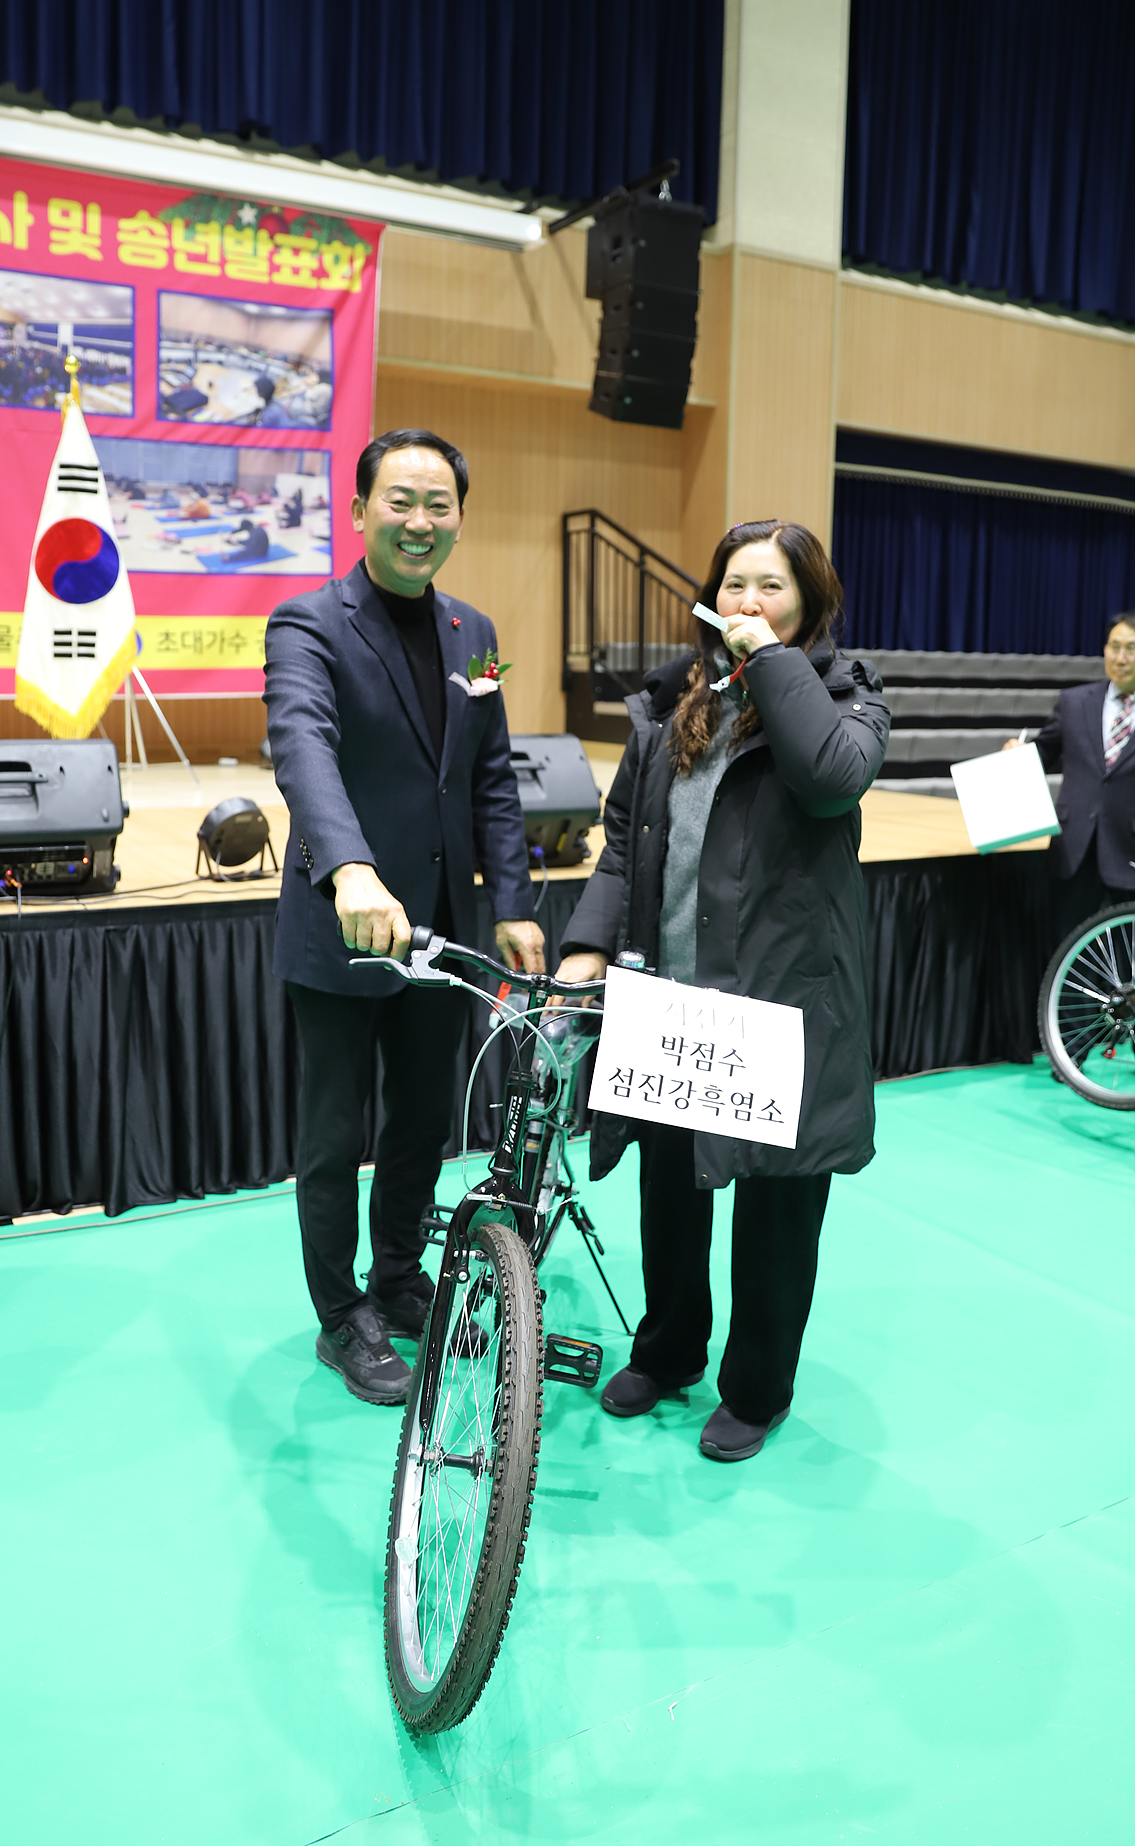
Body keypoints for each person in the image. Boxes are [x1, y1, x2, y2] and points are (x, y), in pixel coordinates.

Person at [554, 521, 890, 1462]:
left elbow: (829, 781)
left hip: (780, 1007)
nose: (747, 602)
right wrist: (587, 946)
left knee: (777, 1212)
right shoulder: (674, 708)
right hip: (671, 1002)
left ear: (809, 604)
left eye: (771, 587)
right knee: (669, 1195)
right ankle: (666, 1351)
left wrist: (771, 661)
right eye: (734, 585)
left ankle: (756, 1389)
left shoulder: (847, 700)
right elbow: (623, 841)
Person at [264, 429, 543, 1405]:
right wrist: (349, 869)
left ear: (458, 518)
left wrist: (510, 904)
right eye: (400, 501)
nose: (419, 521)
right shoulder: (307, 623)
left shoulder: (476, 632)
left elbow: (491, 779)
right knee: (333, 1135)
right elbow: (303, 746)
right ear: (358, 511)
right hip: (342, 924)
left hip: (441, 932)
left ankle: (396, 1277)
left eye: (439, 504)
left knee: (421, 1121)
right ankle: (341, 1314)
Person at [1005, 611, 1135, 935]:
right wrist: (1019, 755)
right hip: (1073, 851)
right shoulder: (1074, 702)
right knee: (1065, 948)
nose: (1121, 658)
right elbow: (1044, 751)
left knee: (1125, 953)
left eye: (1131, 648)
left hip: (1128, 852)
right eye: (1115, 647)